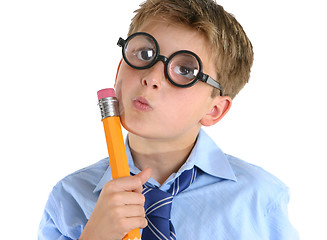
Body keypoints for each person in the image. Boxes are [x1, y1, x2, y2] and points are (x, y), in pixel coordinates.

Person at [38, 0, 299, 239]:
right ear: (119, 70)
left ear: (214, 110)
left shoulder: (260, 198)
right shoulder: (69, 197)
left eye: (185, 70)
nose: (151, 77)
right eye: (144, 54)